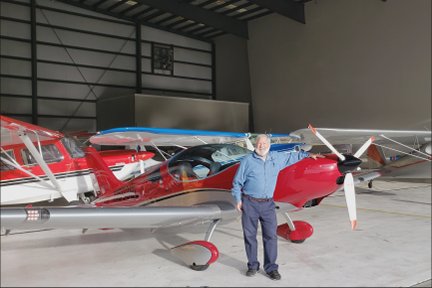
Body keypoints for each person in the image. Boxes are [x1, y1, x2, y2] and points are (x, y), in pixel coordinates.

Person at [231, 134, 322, 280]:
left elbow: (293, 156)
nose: (262, 145)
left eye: (265, 143)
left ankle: (271, 268)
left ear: (269, 144)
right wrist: (237, 199)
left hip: (268, 204)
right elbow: (237, 183)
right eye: (259, 143)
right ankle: (252, 266)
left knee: (271, 236)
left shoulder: (276, 158)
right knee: (250, 236)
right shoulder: (247, 161)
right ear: (255, 144)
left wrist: (308, 155)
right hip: (250, 203)